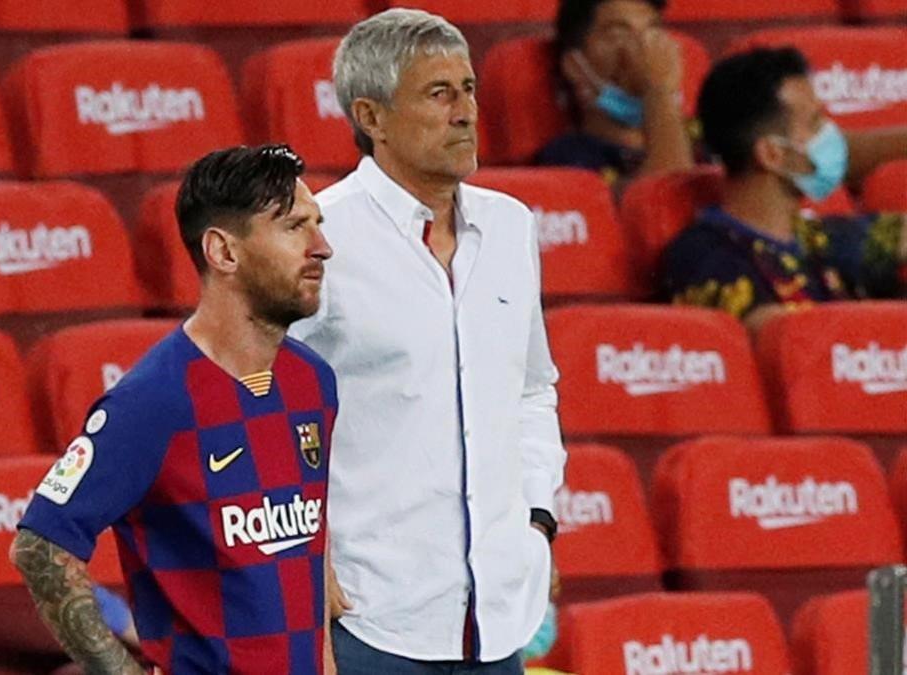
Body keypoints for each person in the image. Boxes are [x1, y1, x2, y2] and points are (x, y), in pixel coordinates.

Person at [289, 9, 566, 673]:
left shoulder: (509, 227)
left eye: (468, 88)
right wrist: (303, 549)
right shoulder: (321, 235)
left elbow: (532, 387)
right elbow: (265, 401)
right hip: (369, 613)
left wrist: (536, 518)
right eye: (438, 94)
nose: (466, 111)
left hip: (496, 616)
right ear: (372, 116)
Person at [12, 144, 338, 674]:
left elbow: (308, 550)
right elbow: (40, 546)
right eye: (295, 227)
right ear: (223, 252)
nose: (322, 247)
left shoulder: (313, 382)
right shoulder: (154, 400)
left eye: (317, 224)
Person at [660, 47, 907, 328]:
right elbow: (784, 342)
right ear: (771, 155)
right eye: (815, 124)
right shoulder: (705, 254)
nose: (832, 135)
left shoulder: (817, 238)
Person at [535, 0, 694, 189]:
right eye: (618, 34)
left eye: (652, 32)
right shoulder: (567, 156)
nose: (643, 48)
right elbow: (662, 203)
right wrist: (658, 89)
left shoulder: (700, 145)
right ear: (574, 65)